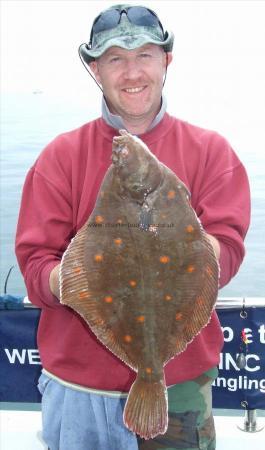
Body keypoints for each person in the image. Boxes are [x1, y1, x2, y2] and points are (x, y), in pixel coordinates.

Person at [15, 4, 250, 450]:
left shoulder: (212, 151)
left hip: (176, 385)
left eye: (145, 55)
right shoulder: (58, 158)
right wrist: (78, 281)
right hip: (77, 389)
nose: (132, 71)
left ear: (167, 61)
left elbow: (230, 252)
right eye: (115, 59)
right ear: (94, 69)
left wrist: (189, 251)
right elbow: (34, 267)